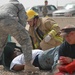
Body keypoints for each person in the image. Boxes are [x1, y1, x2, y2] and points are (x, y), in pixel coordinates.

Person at [0, 0, 37, 72]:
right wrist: (20, 31)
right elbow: (23, 20)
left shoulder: (4, 5)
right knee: (25, 39)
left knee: (0, 45)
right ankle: (28, 65)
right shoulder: (19, 5)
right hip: (8, 20)